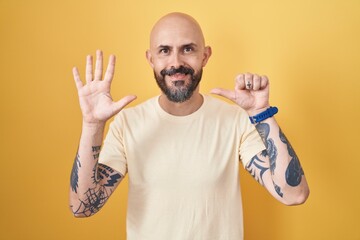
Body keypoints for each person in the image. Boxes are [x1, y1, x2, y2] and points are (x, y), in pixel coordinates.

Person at [69, 12, 309, 240]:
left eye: (188, 49)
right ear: (150, 59)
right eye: (164, 50)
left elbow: (294, 194)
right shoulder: (127, 124)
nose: (176, 62)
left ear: (205, 56)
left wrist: (261, 114)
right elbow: (83, 207)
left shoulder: (235, 120)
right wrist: (92, 125)